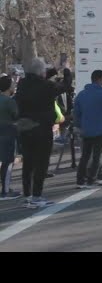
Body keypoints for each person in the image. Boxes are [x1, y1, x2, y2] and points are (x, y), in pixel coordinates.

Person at [14, 58, 71, 208]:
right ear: (42, 72)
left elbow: (36, 77)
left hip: (25, 127)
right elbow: (65, 85)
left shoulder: (23, 84)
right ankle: (37, 196)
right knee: (41, 163)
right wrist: (66, 70)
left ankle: (27, 195)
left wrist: (54, 69)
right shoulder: (47, 86)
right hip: (42, 128)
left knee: (28, 163)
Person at [0, 75, 20, 199]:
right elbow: (17, 116)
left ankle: (5, 187)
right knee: (8, 162)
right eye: (12, 84)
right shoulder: (9, 101)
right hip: (8, 133)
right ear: (8, 87)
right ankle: (5, 191)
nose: (14, 86)